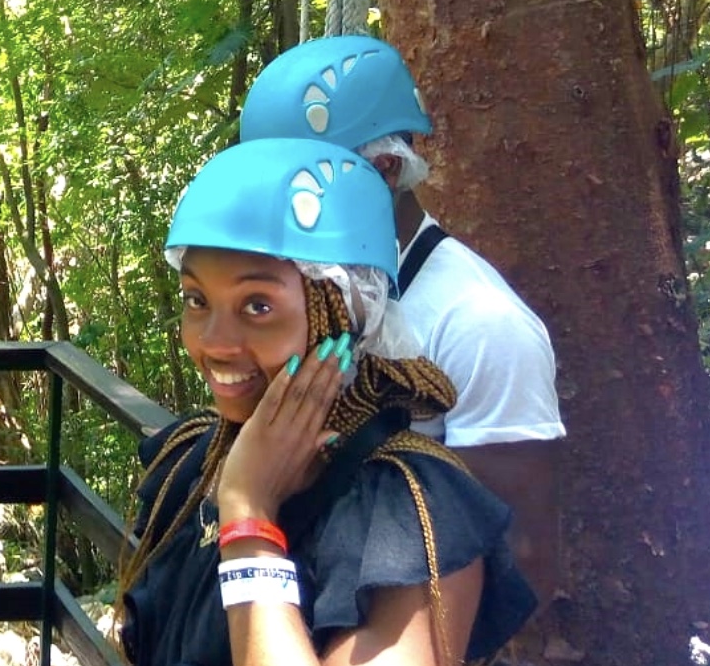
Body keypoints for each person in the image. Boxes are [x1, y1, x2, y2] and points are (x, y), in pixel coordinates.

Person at [114, 137, 536, 666]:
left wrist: (249, 517)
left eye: (257, 305)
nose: (212, 340)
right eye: (196, 299)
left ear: (342, 313)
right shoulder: (192, 461)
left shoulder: (408, 510)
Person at [238, 34, 564, 607]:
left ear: (385, 169)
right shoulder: (320, 292)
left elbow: (522, 555)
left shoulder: (481, 327)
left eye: (306, 177)